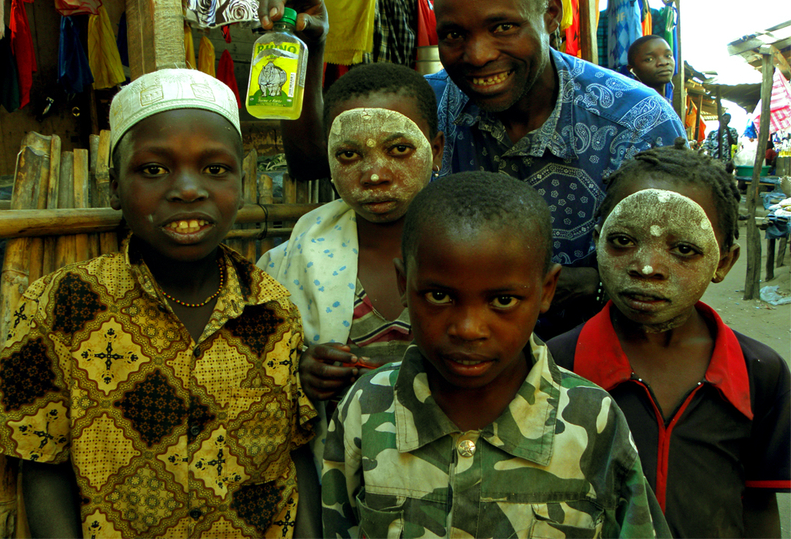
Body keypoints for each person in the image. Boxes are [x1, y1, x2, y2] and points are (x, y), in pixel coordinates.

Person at [272, 0, 687, 338]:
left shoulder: (635, 124)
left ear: (550, 15)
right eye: (453, 35)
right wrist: (310, 46)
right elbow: (314, 164)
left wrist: (594, 285)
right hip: (454, 360)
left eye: (503, 27)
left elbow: (679, 261)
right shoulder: (426, 107)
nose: (478, 55)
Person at [0, 69, 320, 538]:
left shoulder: (272, 310)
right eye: (153, 170)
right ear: (114, 187)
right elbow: (41, 463)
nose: (188, 189)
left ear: (240, 185)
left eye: (214, 169)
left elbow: (294, 455)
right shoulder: (60, 305)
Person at [321, 170, 671, 538]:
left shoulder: (591, 419)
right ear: (403, 285)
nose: (469, 329)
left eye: (503, 301)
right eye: (439, 296)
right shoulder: (366, 406)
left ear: (546, 291)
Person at [548, 141, 790, 538]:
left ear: (724, 263)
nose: (647, 267)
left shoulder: (759, 373)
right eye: (623, 241)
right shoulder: (554, 366)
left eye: (683, 249)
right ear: (597, 239)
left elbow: (759, 506)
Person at [258, 62, 444, 466]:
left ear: (437, 151)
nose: (374, 174)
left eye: (399, 149)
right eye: (349, 154)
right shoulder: (288, 265)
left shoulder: (473, 251)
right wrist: (302, 374)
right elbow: (258, 378)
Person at [627, 35, 675, 100]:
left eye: (668, 55)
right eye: (649, 59)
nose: (663, 62)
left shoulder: (666, 104)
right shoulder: (630, 105)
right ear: (632, 69)